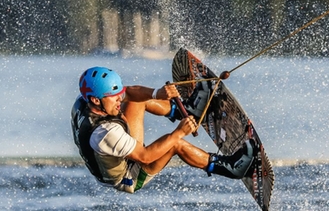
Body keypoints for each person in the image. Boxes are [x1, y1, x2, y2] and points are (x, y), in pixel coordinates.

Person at [71, 66, 255, 193]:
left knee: (136, 100)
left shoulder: (85, 100)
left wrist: (157, 93)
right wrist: (178, 133)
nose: (120, 99)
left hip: (119, 151)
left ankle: (186, 110)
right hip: (129, 176)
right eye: (114, 97)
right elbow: (145, 157)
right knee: (175, 144)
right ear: (96, 100)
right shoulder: (105, 134)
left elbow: (129, 92)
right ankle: (231, 168)